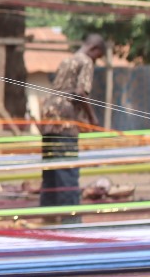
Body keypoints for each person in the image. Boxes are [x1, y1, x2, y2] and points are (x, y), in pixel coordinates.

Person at [38, 33, 106, 222]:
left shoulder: (66, 60)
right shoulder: (85, 62)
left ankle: (48, 215)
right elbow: (81, 93)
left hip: (48, 117)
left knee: (51, 169)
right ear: (94, 49)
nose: (96, 61)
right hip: (64, 120)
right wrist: (93, 119)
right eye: (98, 57)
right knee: (67, 169)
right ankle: (71, 220)